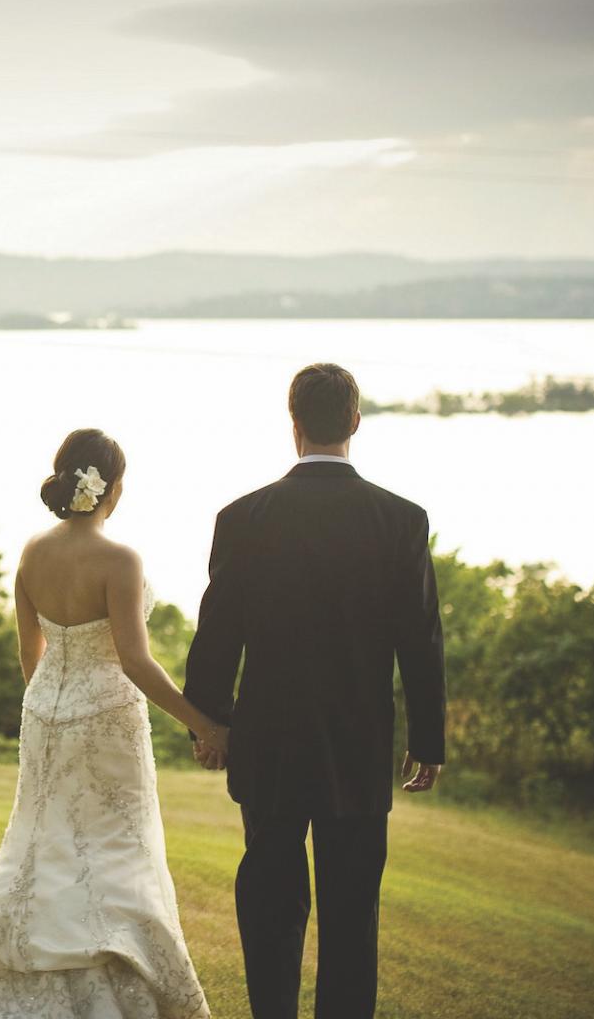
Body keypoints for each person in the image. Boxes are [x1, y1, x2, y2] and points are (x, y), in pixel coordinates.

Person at [183, 363, 446, 1019]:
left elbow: (216, 634)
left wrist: (209, 722)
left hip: (268, 743)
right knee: (353, 916)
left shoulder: (242, 517)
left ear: (293, 423)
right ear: (355, 422)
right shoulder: (401, 521)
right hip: (359, 747)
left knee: (270, 908)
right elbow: (421, 639)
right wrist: (428, 740)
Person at [0, 428, 216, 1019]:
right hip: (108, 719)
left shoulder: (30, 553)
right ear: (112, 489)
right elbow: (136, 660)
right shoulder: (120, 559)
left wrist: (51, 707)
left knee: (47, 842)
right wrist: (205, 726)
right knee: (117, 852)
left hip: (45, 713)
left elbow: (31, 653)